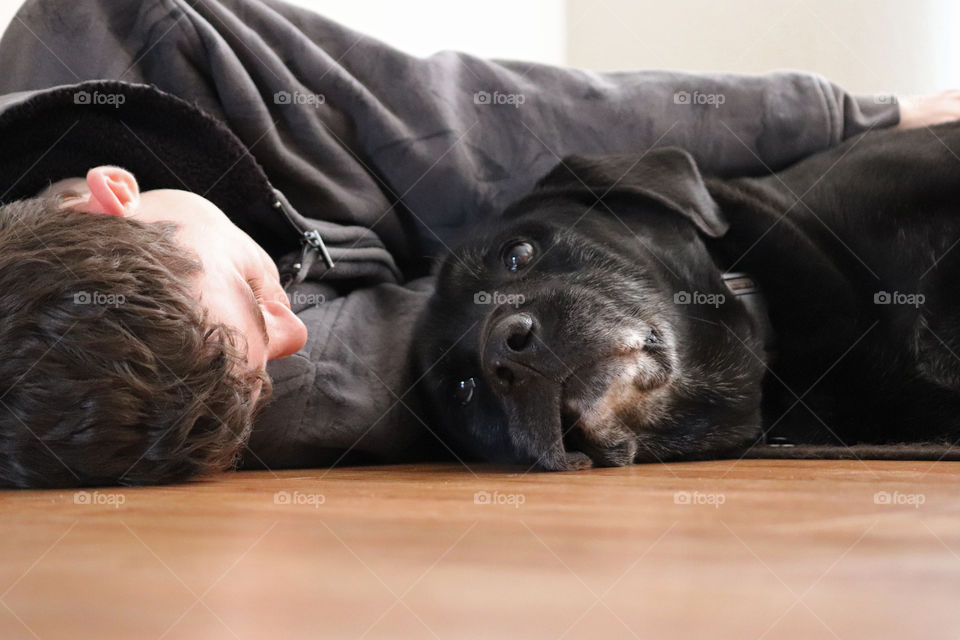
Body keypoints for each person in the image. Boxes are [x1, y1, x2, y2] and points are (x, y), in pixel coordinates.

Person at [0, 0, 957, 488]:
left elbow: (475, 126)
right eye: (253, 379)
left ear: (108, 197)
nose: (289, 337)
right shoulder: (96, 403)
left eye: (257, 291)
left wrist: (868, 113)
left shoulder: (136, 32)